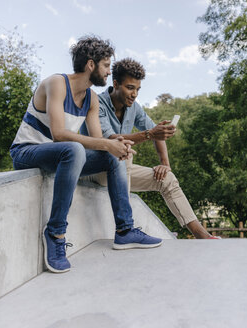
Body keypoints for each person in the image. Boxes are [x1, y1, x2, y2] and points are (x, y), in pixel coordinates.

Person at [10, 38, 163, 274]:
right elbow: (59, 134)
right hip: (27, 151)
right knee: (73, 148)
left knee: (112, 156)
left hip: (62, 158)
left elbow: (98, 141)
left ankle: (124, 230)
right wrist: (105, 143)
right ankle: (55, 232)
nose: (109, 71)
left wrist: (119, 145)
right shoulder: (57, 83)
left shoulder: (91, 98)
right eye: (106, 65)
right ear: (91, 65)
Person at [80, 58, 219, 239]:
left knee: (166, 179)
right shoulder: (97, 103)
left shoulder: (134, 108)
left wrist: (165, 164)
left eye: (138, 89)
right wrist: (150, 134)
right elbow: (112, 140)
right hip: (94, 169)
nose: (134, 94)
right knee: (124, 152)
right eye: (130, 88)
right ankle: (125, 229)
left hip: (120, 172)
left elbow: (156, 133)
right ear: (116, 84)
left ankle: (202, 234)